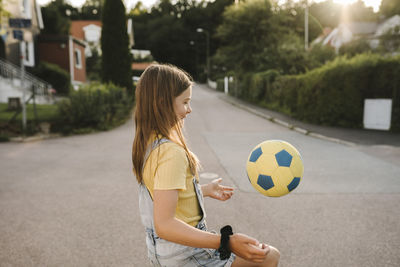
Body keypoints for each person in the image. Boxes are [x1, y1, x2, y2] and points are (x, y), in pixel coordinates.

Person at [132, 64, 280, 267]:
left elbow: (164, 196)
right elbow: (165, 225)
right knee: (269, 256)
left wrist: (204, 191)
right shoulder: (170, 153)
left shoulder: (149, 146)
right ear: (162, 103)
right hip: (186, 256)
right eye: (185, 102)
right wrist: (227, 241)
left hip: (164, 255)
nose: (189, 110)